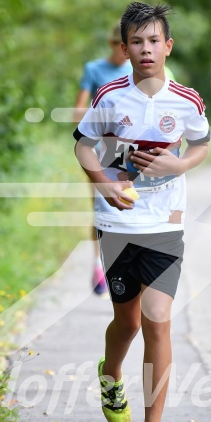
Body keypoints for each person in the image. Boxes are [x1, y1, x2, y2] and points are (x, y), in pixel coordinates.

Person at [73, 2, 210, 422]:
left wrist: (180, 162)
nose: (146, 49)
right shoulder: (109, 95)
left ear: (167, 46)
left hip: (165, 222)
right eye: (137, 41)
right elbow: (83, 145)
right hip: (117, 222)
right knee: (127, 321)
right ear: (125, 48)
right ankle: (110, 375)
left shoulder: (187, 100)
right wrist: (103, 181)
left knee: (157, 320)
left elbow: (202, 143)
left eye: (154, 40)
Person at [74, 24, 133, 295]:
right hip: (98, 149)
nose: (125, 54)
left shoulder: (136, 72)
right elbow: (78, 109)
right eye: (121, 47)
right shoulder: (94, 69)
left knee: (127, 205)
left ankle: (122, 265)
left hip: (124, 148)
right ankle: (99, 263)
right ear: (112, 44)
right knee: (100, 207)